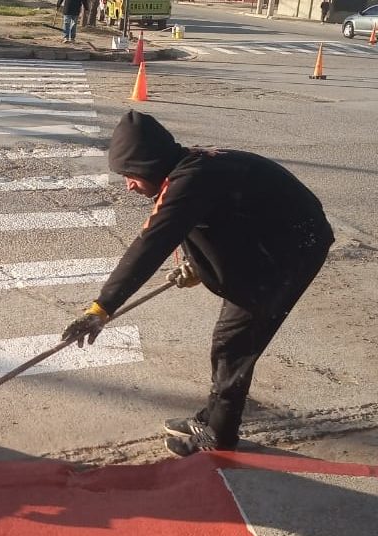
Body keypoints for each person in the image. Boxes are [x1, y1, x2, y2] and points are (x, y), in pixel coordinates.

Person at [62, 111, 334, 457]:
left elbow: (151, 244)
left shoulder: (190, 183)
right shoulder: (187, 170)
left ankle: (218, 436)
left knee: (232, 347)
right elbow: (215, 222)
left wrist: (102, 308)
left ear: (150, 164)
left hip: (291, 253)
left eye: (130, 174)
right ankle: (212, 417)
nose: (128, 184)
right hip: (275, 237)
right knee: (230, 342)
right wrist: (196, 265)